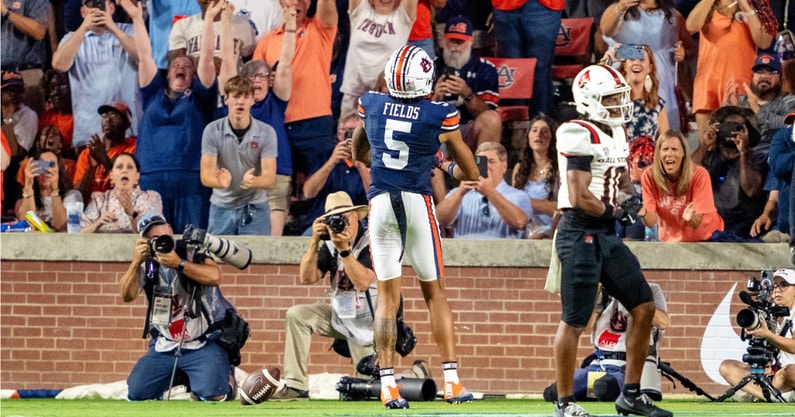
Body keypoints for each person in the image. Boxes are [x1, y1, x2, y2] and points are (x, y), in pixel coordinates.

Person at [352, 45, 479, 409]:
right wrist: (441, 162)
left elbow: (359, 152)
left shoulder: (371, 104)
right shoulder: (439, 113)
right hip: (416, 202)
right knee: (434, 293)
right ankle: (453, 383)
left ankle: (389, 386)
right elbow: (471, 173)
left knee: (387, 300)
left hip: (380, 204)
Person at [551, 64, 671, 417]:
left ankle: (630, 395)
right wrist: (614, 212)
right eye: (611, 98)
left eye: (620, 96)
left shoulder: (617, 130)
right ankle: (564, 402)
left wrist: (630, 197)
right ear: (589, 100)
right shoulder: (575, 130)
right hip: (579, 230)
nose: (620, 103)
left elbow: (620, 178)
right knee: (574, 319)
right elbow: (578, 194)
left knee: (643, 305)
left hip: (604, 232)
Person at [272, 191, 430, 399]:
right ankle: (295, 385)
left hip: (373, 321)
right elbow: (307, 278)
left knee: (369, 388)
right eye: (333, 219)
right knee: (297, 314)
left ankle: (415, 374)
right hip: (343, 316)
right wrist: (314, 243)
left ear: (355, 216)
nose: (340, 224)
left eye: (343, 217)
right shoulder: (329, 244)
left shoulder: (374, 240)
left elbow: (363, 282)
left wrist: (344, 251)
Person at [123, 0, 218, 233]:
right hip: (150, 178)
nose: (182, 65)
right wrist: (137, 17)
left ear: (193, 76)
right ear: (167, 74)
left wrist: (208, 21)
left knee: (191, 243)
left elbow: (206, 59)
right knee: (153, 246)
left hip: (191, 181)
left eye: (187, 65)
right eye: (176, 63)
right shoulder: (152, 93)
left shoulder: (200, 96)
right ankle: (154, 274)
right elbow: (145, 57)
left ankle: (188, 271)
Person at [121, 213, 236, 401]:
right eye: (153, 239)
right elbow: (127, 295)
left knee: (215, 395)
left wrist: (179, 264)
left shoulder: (192, 250)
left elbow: (215, 277)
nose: (160, 242)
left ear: (171, 231)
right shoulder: (149, 264)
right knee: (136, 394)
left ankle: (224, 375)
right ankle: (181, 376)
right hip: (166, 344)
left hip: (203, 341)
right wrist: (136, 262)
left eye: (163, 235)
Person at [221, 1, 296, 236]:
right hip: (241, 176)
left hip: (276, 176)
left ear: (269, 79)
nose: (257, 80)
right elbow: (226, 59)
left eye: (262, 75)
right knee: (241, 244)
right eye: (251, 75)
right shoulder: (237, 103)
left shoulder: (276, 101)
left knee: (272, 245)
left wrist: (290, 24)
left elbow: (285, 64)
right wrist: (224, 20)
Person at [252, 0, 338, 178]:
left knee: (319, 189)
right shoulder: (266, 42)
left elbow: (328, 7)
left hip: (315, 122)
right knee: (279, 188)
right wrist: (267, 80)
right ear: (280, 3)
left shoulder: (321, 28)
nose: (296, 1)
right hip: (277, 124)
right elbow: (254, 84)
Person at [544, 283, 669, 402]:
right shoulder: (603, 293)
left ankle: (596, 391)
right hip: (600, 363)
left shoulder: (651, 289)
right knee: (553, 392)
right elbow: (586, 327)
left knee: (604, 387)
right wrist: (594, 298)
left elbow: (663, 322)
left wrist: (632, 299)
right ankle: (591, 390)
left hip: (628, 365)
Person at [51, 0, 141, 149]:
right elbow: (58, 65)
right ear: (83, 12)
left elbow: (144, 57)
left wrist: (113, 28)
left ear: (111, 8)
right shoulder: (72, 38)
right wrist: (84, 28)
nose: (96, 9)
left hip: (128, 134)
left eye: (100, 3)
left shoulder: (130, 31)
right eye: (90, 4)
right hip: (89, 136)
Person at [686, 0, 775, 145]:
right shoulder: (709, 6)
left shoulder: (757, 5)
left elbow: (764, 42)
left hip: (740, 89)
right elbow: (691, 26)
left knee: (739, 150)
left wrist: (746, 7)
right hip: (707, 90)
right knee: (708, 150)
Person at [200, 75, 277, 236]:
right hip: (221, 207)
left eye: (245, 96)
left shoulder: (266, 132)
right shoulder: (212, 131)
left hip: (255, 207)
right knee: (216, 259)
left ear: (252, 100)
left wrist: (254, 181)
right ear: (226, 99)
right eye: (236, 96)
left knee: (257, 258)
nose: (240, 101)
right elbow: (206, 175)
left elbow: (270, 179)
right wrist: (220, 182)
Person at [600, 0, 695, 131]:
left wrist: (684, 53)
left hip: (661, 83)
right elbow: (606, 30)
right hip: (624, 82)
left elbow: (690, 47)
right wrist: (621, 7)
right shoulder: (618, 10)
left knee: (663, 134)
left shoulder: (672, 15)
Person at [719, 268, 795, 402]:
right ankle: (769, 395)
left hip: (788, 375)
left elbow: (793, 347)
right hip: (772, 376)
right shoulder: (768, 311)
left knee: (791, 372)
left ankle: (756, 394)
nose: (777, 290)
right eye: (775, 285)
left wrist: (767, 334)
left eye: (784, 285)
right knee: (727, 367)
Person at [692, 105, 768, 240]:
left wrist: (743, 153)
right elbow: (687, 177)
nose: (732, 131)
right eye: (727, 126)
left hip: (745, 228)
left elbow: (752, 190)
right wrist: (703, 146)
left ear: (747, 131)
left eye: (738, 127)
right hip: (710, 225)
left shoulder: (757, 157)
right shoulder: (707, 156)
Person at [431, 15, 501, 152]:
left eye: (460, 41)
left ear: (471, 41)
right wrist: (435, 99)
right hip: (436, 132)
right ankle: (433, 172)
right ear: (443, 41)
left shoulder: (485, 69)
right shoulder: (429, 67)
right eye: (452, 40)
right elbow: (415, 114)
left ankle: (482, 171)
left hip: (467, 130)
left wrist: (468, 95)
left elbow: (488, 113)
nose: (455, 47)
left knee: (492, 119)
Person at [639, 129, 724, 242]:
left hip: (708, 238)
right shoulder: (649, 175)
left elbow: (696, 222)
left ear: (683, 153)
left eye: (674, 149)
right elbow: (651, 222)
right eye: (665, 149)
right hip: (671, 241)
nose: (669, 154)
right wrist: (640, 210)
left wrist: (691, 218)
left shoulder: (699, 175)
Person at [338, 0, 417, 119]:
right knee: (348, 135)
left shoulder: (402, 18)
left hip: (385, 96)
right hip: (354, 93)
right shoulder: (361, 10)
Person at [436, 141, 531, 239]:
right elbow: (439, 220)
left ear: (504, 166)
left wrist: (489, 192)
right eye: (481, 162)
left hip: (503, 252)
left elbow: (519, 222)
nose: (486, 166)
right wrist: (460, 193)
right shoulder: (458, 193)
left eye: (491, 161)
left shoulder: (518, 196)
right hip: (465, 252)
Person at [300, 113, 370, 235]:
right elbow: (308, 192)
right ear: (339, 134)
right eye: (348, 131)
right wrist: (331, 163)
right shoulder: (324, 157)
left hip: (355, 224)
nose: (351, 136)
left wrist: (361, 166)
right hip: (322, 220)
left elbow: (373, 197)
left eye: (356, 131)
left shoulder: (370, 160)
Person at [491, 0, 563, 117]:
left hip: (543, 6)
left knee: (539, 68)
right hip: (503, 5)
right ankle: (516, 126)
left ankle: (540, 124)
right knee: (511, 69)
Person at [71, 101, 136, 204]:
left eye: (114, 115)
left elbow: (131, 189)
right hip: (91, 211)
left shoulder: (133, 148)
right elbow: (77, 197)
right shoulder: (88, 153)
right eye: (104, 115)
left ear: (127, 124)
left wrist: (104, 159)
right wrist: (92, 167)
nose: (107, 120)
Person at [725, 52, 795, 145]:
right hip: (739, 156)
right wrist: (730, 109)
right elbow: (719, 130)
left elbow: (790, 127)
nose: (764, 76)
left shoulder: (788, 101)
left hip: (769, 156)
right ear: (752, 76)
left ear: (780, 78)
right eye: (759, 71)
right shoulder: (738, 101)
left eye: (771, 72)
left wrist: (757, 110)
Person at [81, 153, 162, 233]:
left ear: (137, 175)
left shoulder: (149, 198)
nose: (124, 170)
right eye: (119, 167)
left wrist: (132, 214)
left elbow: (155, 233)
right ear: (111, 174)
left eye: (129, 167)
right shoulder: (100, 199)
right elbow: (79, 234)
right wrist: (97, 224)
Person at [167, 0, 257, 71]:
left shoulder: (243, 25)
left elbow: (250, 65)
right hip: (194, 87)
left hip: (229, 88)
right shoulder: (182, 25)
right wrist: (202, 62)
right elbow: (174, 62)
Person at [511, 114, 560, 239]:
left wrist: (527, 201)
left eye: (545, 131)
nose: (539, 134)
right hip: (525, 229)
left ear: (552, 137)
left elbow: (562, 209)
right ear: (528, 136)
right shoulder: (519, 168)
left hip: (552, 230)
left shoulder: (560, 168)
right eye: (534, 130)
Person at [1, 70, 39, 215]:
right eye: (8, 90)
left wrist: (8, 117)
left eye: (18, 90)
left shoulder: (28, 115)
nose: (13, 95)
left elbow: (15, 153)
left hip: (13, 169)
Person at [15, 149, 73, 232]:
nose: (46, 171)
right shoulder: (23, 201)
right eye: (42, 165)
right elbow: (26, 227)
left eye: (51, 165)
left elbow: (62, 228)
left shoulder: (71, 196)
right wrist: (28, 186)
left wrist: (54, 191)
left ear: (59, 170)